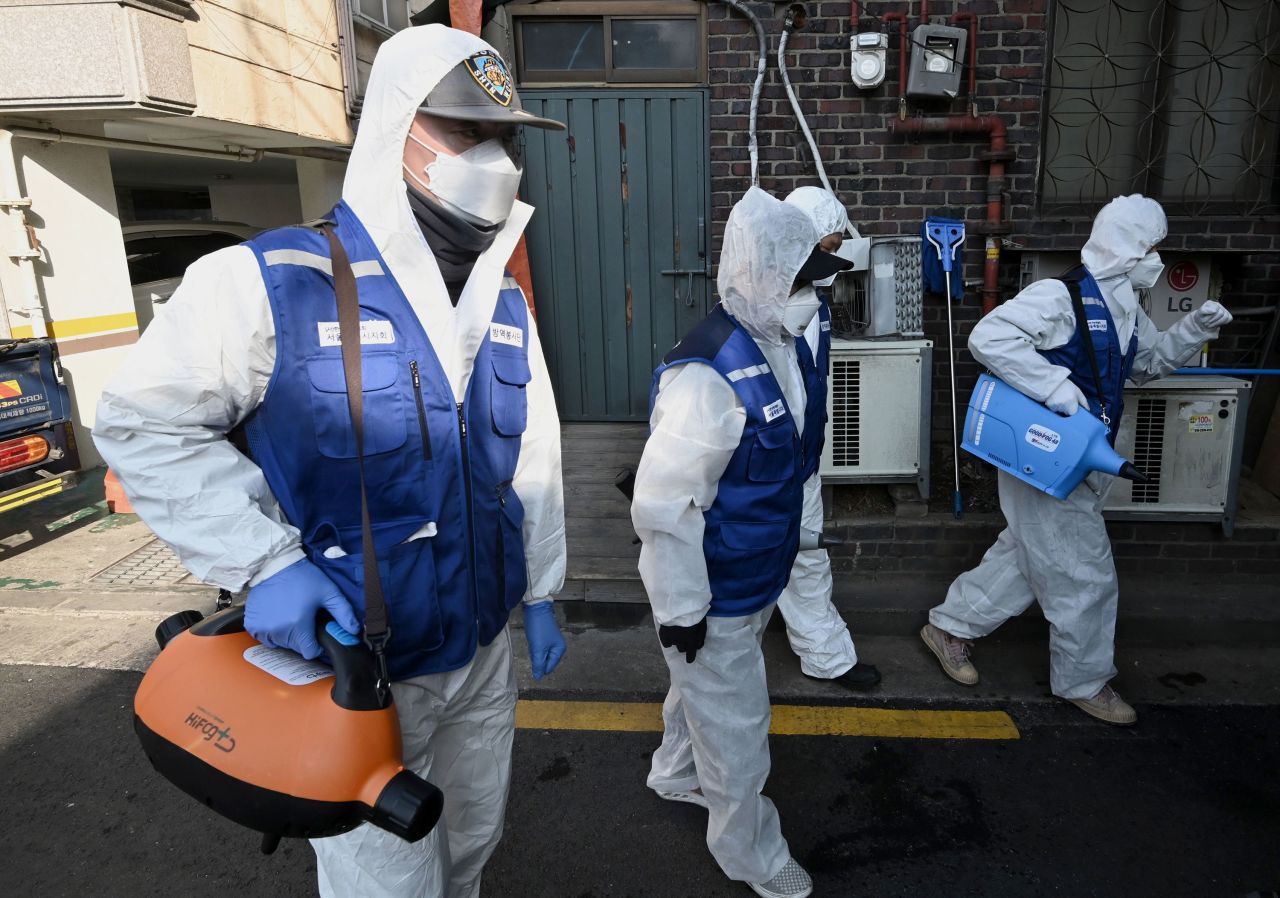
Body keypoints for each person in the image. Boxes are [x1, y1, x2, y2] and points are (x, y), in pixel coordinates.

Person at [94, 25, 568, 898]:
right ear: (400, 132)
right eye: (468, 132)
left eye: (506, 137)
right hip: (361, 669)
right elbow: (141, 423)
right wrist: (265, 562)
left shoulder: (502, 300)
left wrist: (539, 592)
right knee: (384, 881)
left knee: (471, 841)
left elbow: (531, 459)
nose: (496, 158)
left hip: (481, 650)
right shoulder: (271, 283)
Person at [920, 194, 1233, 726]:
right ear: (1130, 250)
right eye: (1153, 247)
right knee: (1084, 574)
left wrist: (1194, 330)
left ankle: (950, 627)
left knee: (1028, 555)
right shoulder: (1058, 297)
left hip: (1085, 456)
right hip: (1047, 453)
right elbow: (988, 336)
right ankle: (1084, 680)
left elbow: (1145, 366)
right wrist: (1055, 387)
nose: (1160, 258)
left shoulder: (1127, 305)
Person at [631, 187, 852, 898]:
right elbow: (665, 507)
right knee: (737, 731)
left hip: (756, 576)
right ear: (761, 278)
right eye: (800, 284)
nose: (812, 299)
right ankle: (751, 854)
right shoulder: (707, 374)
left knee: (697, 691)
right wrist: (685, 610)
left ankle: (671, 773)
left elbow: (790, 458)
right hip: (716, 592)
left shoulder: (780, 345)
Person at [777, 186, 880, 691]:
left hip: (801, 464)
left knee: (809, 558)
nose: (835, 259)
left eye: (838, 248)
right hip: (761, 471)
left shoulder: (815, 306)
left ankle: (826, 657)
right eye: (829, 248)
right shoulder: (758, 306)